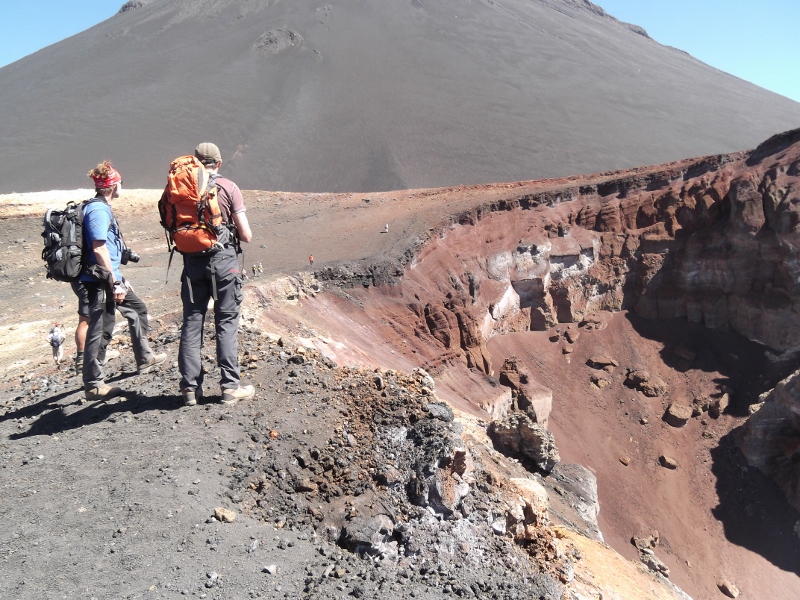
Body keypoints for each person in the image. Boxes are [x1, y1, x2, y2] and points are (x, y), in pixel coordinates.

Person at [79, 161, 167, 401]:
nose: (121, 187)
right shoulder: (97, 210)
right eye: (120, 183)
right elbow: (99, 248)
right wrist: (115, 282)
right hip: (98, 281)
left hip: (107, 277)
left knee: (137, 309)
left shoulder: (101, 207)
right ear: (112, 186)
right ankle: (94, 384)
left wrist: (119, 277)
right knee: (99, 329)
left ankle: (144, 357)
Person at [178, 143, 254, 407]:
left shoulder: (181, 188)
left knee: (192, 322)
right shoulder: (228, 187)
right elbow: (246, 235)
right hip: (224, 265)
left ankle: (189, 390)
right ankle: (230, 388)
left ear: (195, 163)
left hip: (191, 265)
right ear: (218, 163)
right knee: (226, 322)